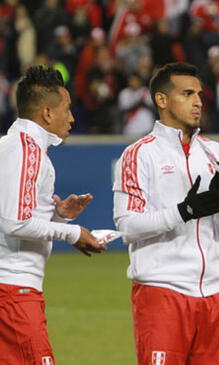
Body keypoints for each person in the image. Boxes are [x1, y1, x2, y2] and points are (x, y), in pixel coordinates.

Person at [112, 62, 219, 365]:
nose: (198, 101)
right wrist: (185, 211)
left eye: (199, 94)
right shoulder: (138, 154)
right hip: (162, 293)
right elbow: (128, 226)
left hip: (213, 293)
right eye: (187, 94)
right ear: (162, 100)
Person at [0, 65, 105, 364]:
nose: (72, 118)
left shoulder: (11, 147)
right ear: (47, 113)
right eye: (68, 109)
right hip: (13, 294)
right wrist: (73, 233)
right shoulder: (26, 150)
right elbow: (13, 221)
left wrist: (57, 216)